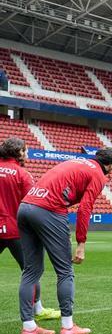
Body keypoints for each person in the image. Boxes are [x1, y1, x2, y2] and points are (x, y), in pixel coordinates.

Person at [17, 147, 112, 334]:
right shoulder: (98, 174)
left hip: (25, 206)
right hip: (49, 209)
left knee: (30, 271)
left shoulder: (75, 162)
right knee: (65, 271)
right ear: (111, 166)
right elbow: (85, 208)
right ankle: (68, 326)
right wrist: (81, 242)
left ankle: (29, 328)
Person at [0, 138, 56, 322]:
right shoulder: (22, 174)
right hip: (16, 231)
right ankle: (37, 310)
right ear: (18, 152)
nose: (28, 154)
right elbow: (34, 204)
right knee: (31, 271)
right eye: (26, 151)